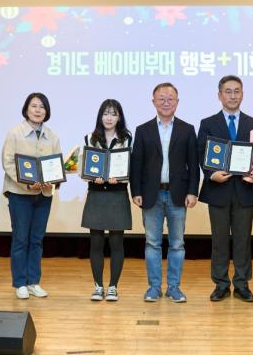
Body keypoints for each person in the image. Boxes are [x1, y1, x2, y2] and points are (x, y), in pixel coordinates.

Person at [197, 75, 253, 303]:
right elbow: (201, 153)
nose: (233, 95)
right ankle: (220, 284)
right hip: (218, 190)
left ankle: (242, 284)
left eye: (237, 91)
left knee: (243, 240)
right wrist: (211, 174)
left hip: (244, 191)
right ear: (219, 95)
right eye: (228, 91)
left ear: (242, 94)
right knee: (219, 241)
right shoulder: (208, 123)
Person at [130, 83, 199, 303]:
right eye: (161, 99)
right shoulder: (143, 130)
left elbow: (193, 164)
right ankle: (154, 287)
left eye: (170, 99)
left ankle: (174, 287)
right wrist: (136, 191)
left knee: (177, 244)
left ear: (177, 102)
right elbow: (136, 164)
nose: (166, 103)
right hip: (151, 194)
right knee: (152, 243)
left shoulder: (187, 129)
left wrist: (193, 191)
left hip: (178, 194)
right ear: (153, 102)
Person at [1, 93, 61, 300]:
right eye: (34, 106)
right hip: (20, 193)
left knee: (36, 240)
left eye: (42, 107)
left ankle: (33, 282)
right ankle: (20, 283)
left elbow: (56, 165)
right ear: (26, 109)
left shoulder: (52, 136)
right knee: (20, 239)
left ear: (47, 111)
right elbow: (8, 163)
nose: (38, 110)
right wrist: (26, 182)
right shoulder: (14, 133)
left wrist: (53, 180)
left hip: (44, 194)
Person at [81, 99, 132, 302]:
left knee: (117, 242)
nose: (109, 118)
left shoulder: (127, 139)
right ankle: (98, 286)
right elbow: (84, 168)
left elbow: (131, 167)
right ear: (100, 116)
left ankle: (113, 287)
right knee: (96, 242)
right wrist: (91, 176)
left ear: (119, 117)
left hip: (117, 194)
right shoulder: (90, 138)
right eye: (105, 113)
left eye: (113, 114)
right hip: (96, 194)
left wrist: (120, 178)